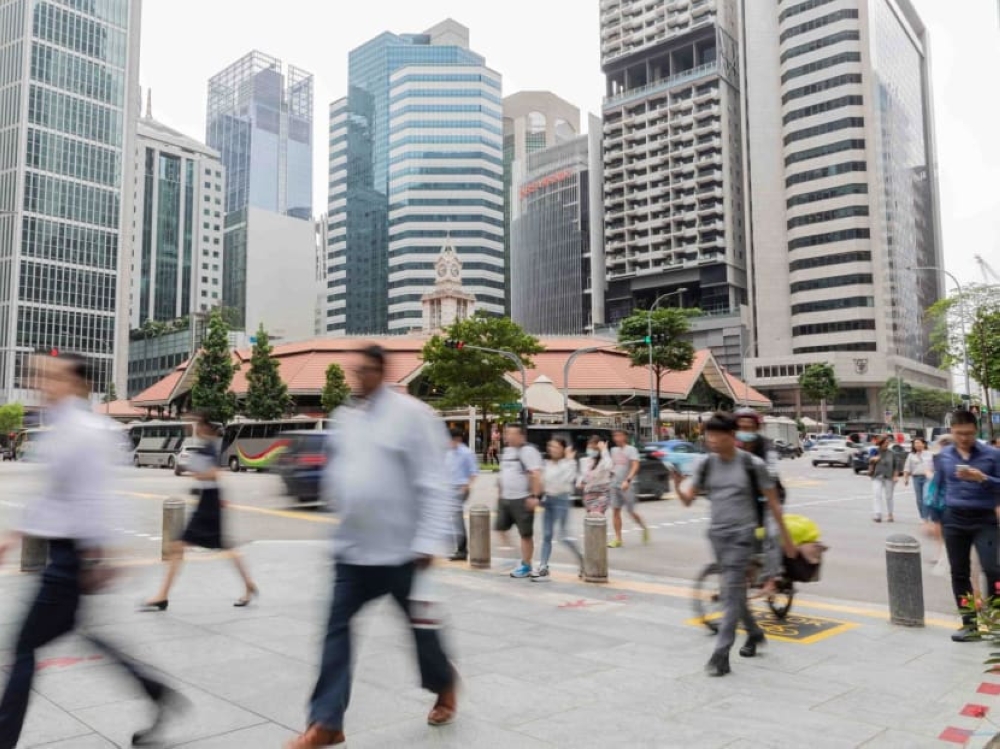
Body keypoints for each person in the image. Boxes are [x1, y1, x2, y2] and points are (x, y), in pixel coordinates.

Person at [0, 353, 184, 748]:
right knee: (77, 634)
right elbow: (52, 495)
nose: (41, 383)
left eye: (52, 377)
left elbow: (99, 497)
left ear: (78, 384)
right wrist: (15, 536)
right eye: (39, 376)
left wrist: (103, 554)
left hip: (74, 558)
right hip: (65, 554)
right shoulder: (59, 428)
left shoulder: (89, 431)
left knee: (25, 647)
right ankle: (154, 691)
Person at [287, 345, 457, 749]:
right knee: (336, 633)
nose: (357, 377)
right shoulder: (346, 417)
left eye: (365, 370)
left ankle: (444, 684)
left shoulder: (412, 415)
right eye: (355, 371)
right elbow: (341, 472)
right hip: (353, 551)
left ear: (382, 371)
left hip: (403, 552)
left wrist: (430, 541)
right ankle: (327, 722)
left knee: (422, 633)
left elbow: (434, 483)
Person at [671, 413, 797, 677]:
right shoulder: (705, 464)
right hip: (717, 536)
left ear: (732, 436)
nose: (712, 440)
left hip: (743, 537)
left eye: (717, 435)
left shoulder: (752, 465)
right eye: (708, 435)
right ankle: (754, 633)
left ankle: (721, 654)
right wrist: (677, 485)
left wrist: (785, 539)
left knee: (729, 594)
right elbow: (687, 501)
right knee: (735, 594)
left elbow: (773, 502)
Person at [141, 413, 257, 611]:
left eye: (198, 424)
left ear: (206, 427)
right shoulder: (208, 446)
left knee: (181, 545)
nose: (195, 428)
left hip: (208, 505)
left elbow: (214, 473)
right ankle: (248, 584)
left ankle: (162, 596)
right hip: (208, 502)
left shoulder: (210, 447)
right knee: (220, 546)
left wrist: (197, 473)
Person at [933, 410, 1000, 643]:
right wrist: (934, 519)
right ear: (952, 431)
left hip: (984, 519)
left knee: (993, 570)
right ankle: (969, 624)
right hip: (954, 520)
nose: (964, 438)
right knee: (959, 573)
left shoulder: (992, 455)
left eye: (969, 434)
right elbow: (937, 488)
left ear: (976, 431)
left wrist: (983, 478)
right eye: (959, 434)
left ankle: (994, 621)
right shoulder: (944, 457)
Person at [733, 408, 784, 589]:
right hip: (748, 499)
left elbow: (771, 470)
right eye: (741, 427)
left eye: (749, 427)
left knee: (771, 533)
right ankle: (747, 576)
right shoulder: (733, 447)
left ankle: (774, 576)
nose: (745, 431)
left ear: (757, 428)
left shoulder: (767, 446)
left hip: (771, 497)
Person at [494, 423, 543, 578]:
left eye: (513, 433)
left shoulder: (528, 451)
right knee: (500, 528)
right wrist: (500, 494)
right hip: (506, 498)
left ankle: (526, 565)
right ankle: (515, 557)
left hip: (522, 498)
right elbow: (504, 474)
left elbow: (535, 474)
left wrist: (534, 497)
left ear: (522, 436)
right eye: (507, 433)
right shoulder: (507, 451)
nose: (509, 436)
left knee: (525, 534)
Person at [535, 438, 583, 581]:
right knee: (547, 535)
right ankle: (543, 566)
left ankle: (582, 560)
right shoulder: (546, 464)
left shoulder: (568, 463)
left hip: (561, 500)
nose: (552, 449)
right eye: (551, 446)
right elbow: (542, 482)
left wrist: (569, 460)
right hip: (548, 500)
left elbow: (567, 479)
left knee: (563, 536)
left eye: (556, 447)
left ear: (563, 449)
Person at [608, 429, 650, 547]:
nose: (616, 438)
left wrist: (628, 480)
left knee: (631, 511)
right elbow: (612, 465)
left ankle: (643, 527)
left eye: (619, 435)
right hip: (614, 484)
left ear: (625, 437)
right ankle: (618, 539)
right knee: (615, 510)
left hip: (628, 485)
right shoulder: (613, 450)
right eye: (614, 436)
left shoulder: (631, 450)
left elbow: (635, 466)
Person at [445, 428, 478, 562]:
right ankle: (455, 547)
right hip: (448, 489)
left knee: (457, 520)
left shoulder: (466, 453)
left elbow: (474, 472)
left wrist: (465, 487)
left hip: (460, 489)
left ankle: (462, 550)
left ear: (457, 439)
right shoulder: (448, 453)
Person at [577, 435, 613, 516]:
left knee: (597, 516)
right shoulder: (585, 461)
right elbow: (581, 476)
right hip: (588, 494)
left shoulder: (604, 461)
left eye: (594, 449)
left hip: (602, 494)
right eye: (589, 448)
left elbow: (609, 466)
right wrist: (580, 482)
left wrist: (604, 450)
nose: (591, 450)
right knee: (592, 522)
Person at [869, 436, 900, 523]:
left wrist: (895, 476)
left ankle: (890, 514)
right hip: (876, 476)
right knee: (877, 494)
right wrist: (873, 459)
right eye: (886, 443)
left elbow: (896, 466)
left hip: (889, 477)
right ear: (881, 443)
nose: (887, 444)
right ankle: (877, 515)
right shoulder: (874, 451)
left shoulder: (892, 453)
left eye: (888, 443)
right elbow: (869, 460)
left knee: (889, 496)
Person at [903, 438, 933, 524]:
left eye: (919, 443)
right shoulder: (911, 455)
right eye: (915, 443)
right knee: (919, 499)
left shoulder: (930, 454)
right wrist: (906, 478)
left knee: (926, 497)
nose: (917, 445)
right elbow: (907, 467)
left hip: (928, 478)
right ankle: (923, 517)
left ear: (924, 444)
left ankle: (927, 516)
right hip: (916, 478)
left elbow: (935, 466)